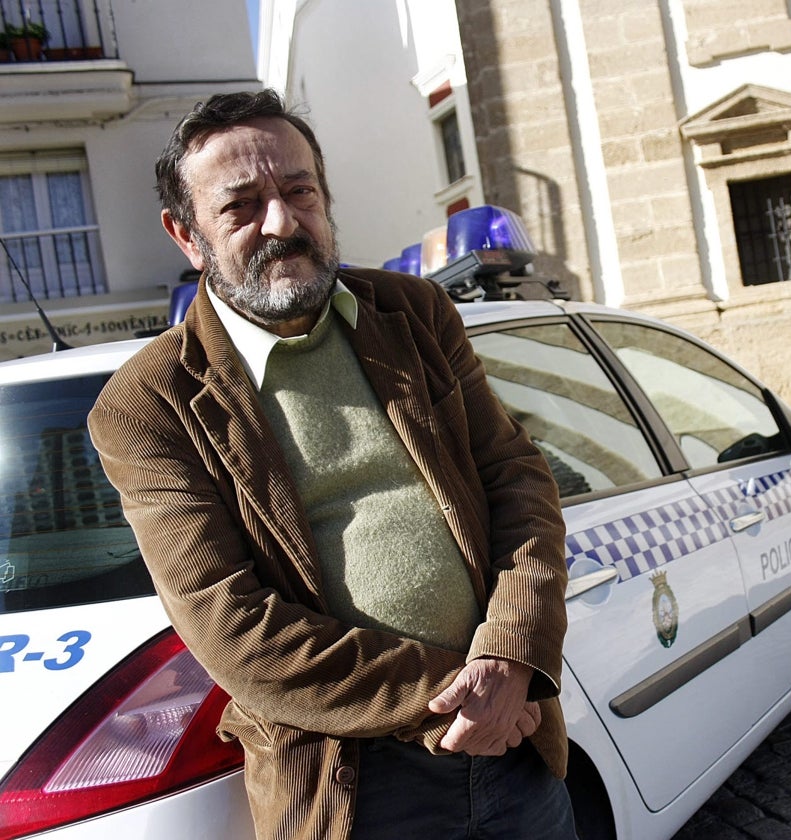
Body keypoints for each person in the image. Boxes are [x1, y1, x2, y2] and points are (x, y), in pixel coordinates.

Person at [88, 89, 576, 840]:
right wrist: (464, 694)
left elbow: (518, 481)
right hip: (352, 786)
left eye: (298, 190)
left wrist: (510, 655)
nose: (282, 222)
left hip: (516, 745)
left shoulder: (414, 314)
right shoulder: (149, 405)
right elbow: (236, 629)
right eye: (242, 206)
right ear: (186, 235)